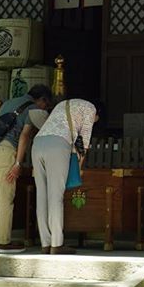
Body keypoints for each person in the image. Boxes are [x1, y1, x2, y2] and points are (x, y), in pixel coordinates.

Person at [0, 83, 53, 252]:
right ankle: (3, 242)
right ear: (42, 99)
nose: (44, 109)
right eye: (46, 105)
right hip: (5, 151)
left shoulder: (8, 102)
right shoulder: (33, 108)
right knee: (5, 199)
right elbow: (24, 136)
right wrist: (18, 163)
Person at [27, 96, 100, 254]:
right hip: (57, 145)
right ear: (97, 115)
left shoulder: (62, 104)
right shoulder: (90, 108)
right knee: (56, 196)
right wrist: (78, 168)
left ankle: (45, 243)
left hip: (38, 143)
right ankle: (56, 244)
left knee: (42, 195)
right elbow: (84, 143)